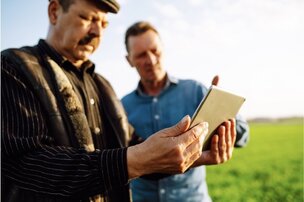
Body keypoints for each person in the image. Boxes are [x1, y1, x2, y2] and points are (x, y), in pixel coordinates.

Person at [1, 1, 237, 201]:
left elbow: (134, 149)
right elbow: (25, 161)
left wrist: (192, 156)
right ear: (54, 11)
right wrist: (130, 161)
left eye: (103, 24)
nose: (97, 32)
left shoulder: (102, 85)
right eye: (87, 18)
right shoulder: (13, 67)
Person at [122, 21, 250, 202]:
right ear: (129, 60)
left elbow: (244, 134)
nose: (150, 60)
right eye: (141, 55)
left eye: (155, 50)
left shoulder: (195, 90)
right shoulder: (121, 107)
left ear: (163, 49)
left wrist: (222, 114)